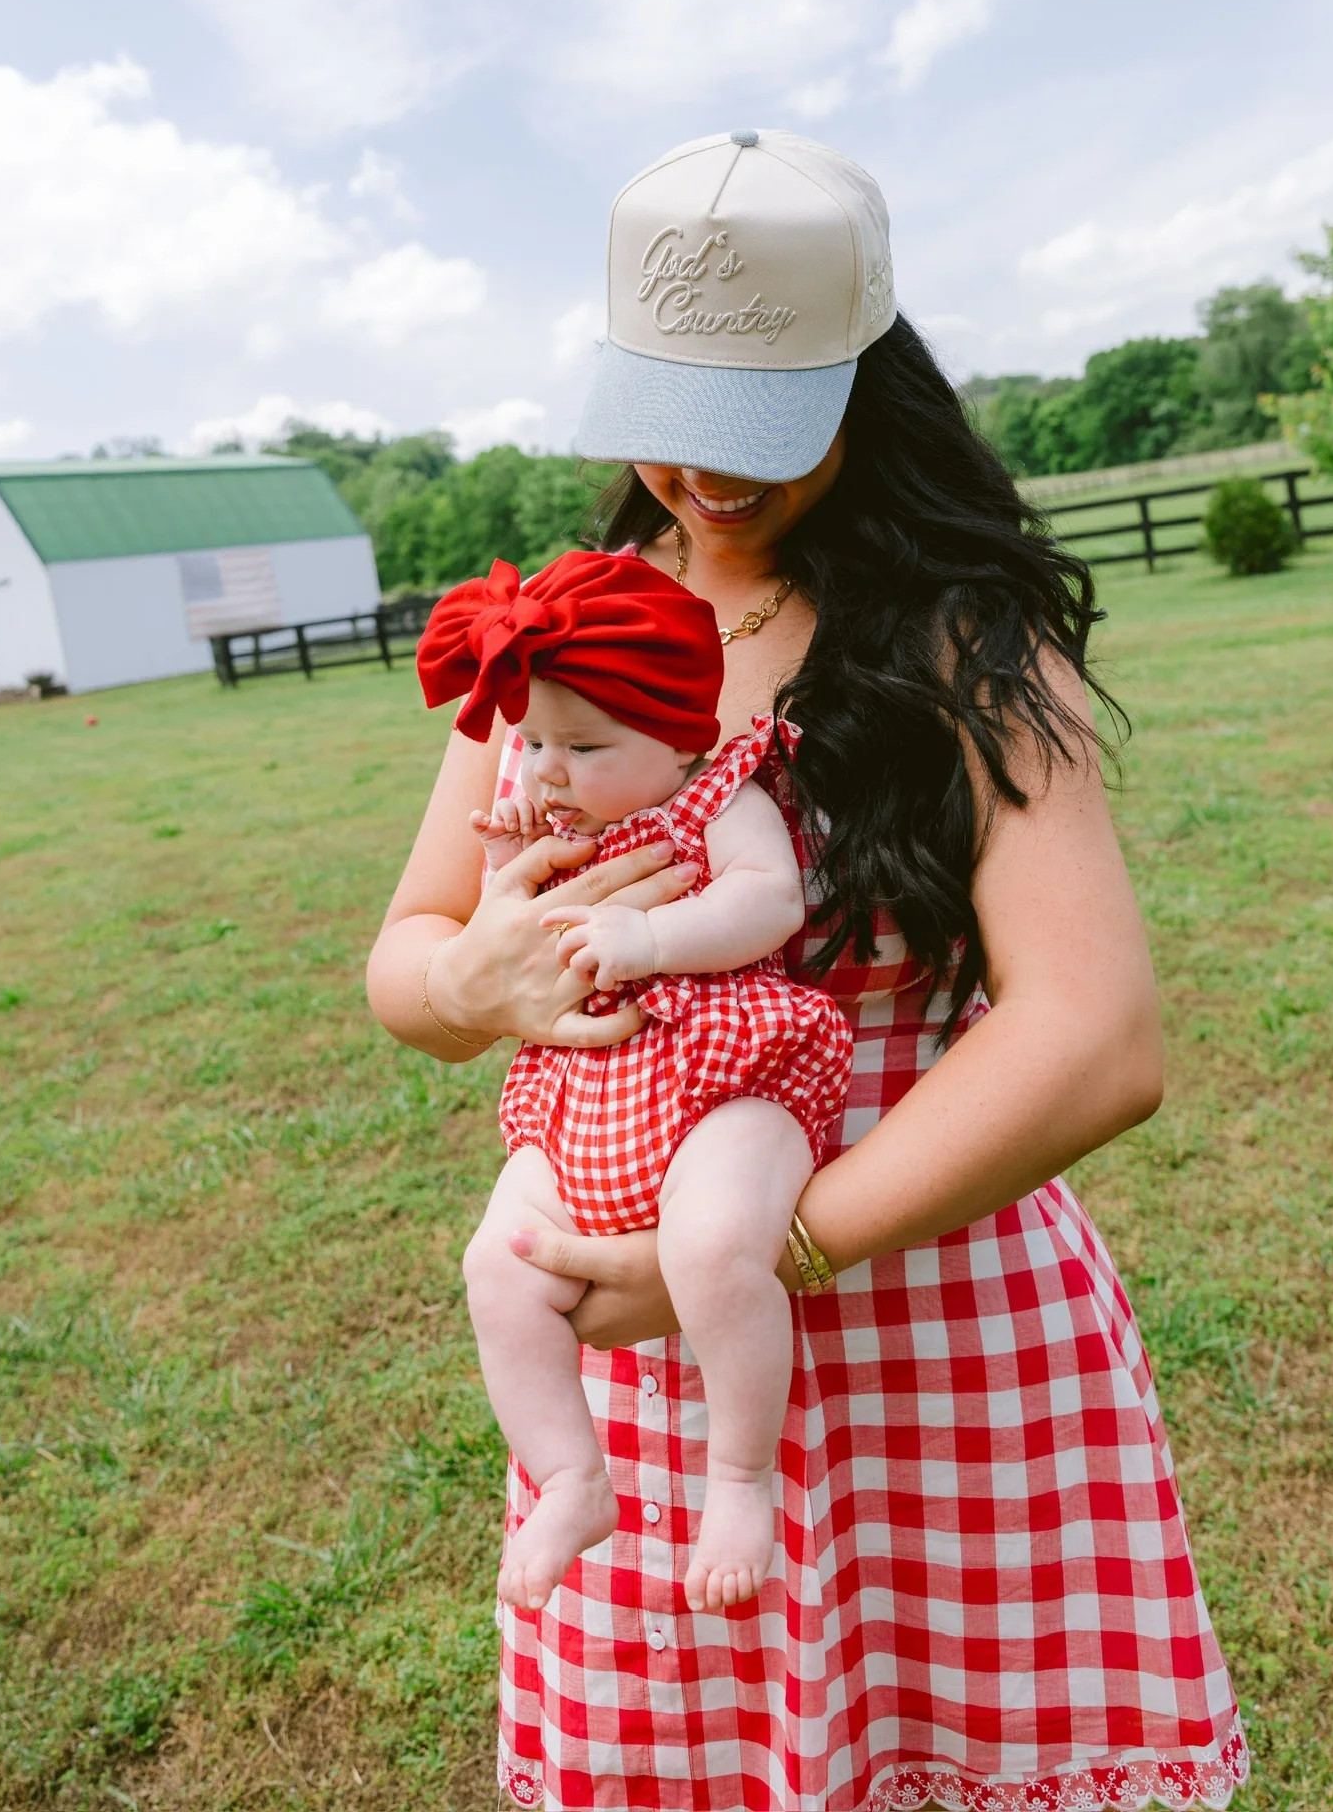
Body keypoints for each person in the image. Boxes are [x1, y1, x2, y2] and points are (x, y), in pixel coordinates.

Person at [368, 131, 1248, 1812]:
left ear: (868, 370)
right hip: (649, 1350)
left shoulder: (954, 636)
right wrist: (480, 975)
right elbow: (405, 968)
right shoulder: (573, 636)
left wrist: (772, 1241)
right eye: (672, 413)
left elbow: (1093, 1029)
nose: (706, 476)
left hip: (930, 1296)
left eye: (760, 420)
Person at [415, 549, 852, 1618]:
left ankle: (742, 1478)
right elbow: (492, 937)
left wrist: (650, 933)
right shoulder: (551, 816)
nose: (546, 770)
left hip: (723, 1074)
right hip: (586, 1095)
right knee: (498, 1267)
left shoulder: (718, 795)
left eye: (582, 747)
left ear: (679, 739)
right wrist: (506, 879)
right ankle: (570, 1477)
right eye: (533, 744)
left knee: (713, 1245)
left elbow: (771, 903)